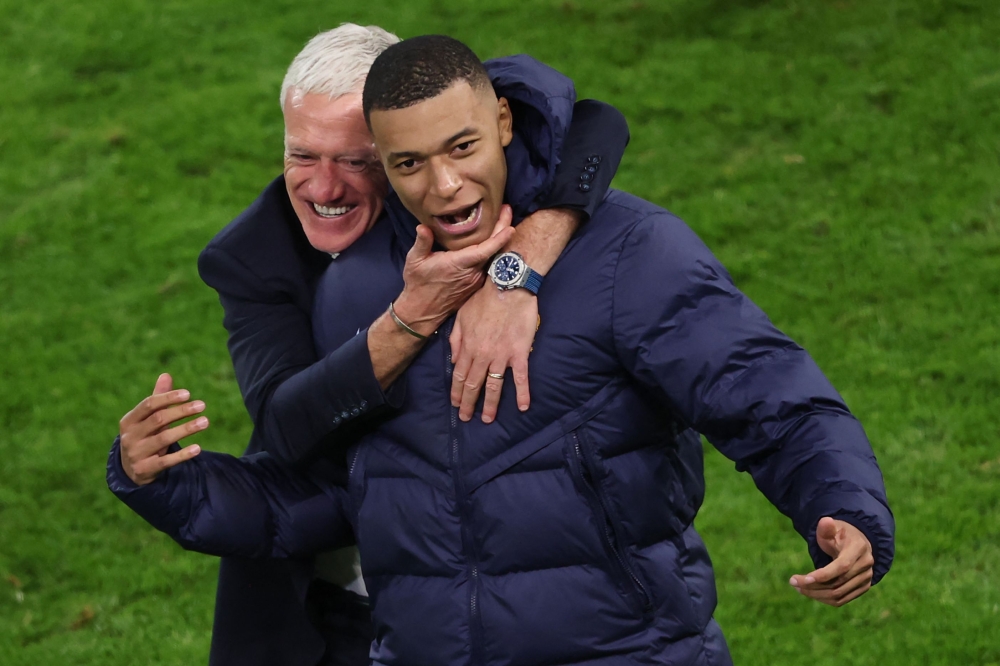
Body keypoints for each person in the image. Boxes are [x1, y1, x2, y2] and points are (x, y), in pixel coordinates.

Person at [109, 35, 895, 665]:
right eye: (410, 163)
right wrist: (167, 482)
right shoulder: (352, 292)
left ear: (505, 125)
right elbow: (335, 491)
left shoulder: (630, 254)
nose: (445, 185)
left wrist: (844, 509)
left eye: (462, 148)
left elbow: (770, 397)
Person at [114, 24, 630, 666]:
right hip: (323, 608)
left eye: (357, 161)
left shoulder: (472, 191)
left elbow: (594, 125)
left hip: (504, 598)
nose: (324, 189)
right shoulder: (252, 259)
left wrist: (525, 259)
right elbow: (287, 427)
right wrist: (411, 318)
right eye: (302, 155)